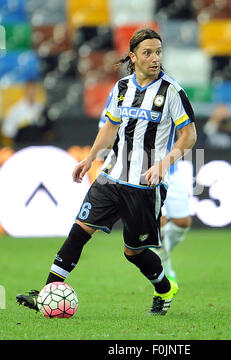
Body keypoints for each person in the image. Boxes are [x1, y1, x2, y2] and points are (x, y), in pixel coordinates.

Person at [16, 28, 197, 316]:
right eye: (148, 52)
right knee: (78, 232)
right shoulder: (122, 88)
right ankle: (47, 293)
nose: (154, 58)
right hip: (111, 177)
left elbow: (189, 135)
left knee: (133, 253)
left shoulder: (172, 92)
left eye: (158, 52)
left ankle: (164, 289)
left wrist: (164, 163)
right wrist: (89, 159)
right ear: (133, 56)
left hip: (144, 186)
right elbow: (110, 127)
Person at [99, 94, 192, 284]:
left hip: (168, 168)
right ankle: (165, 268)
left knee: (182, 222)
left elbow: (184, 129)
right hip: (138, 172)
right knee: (161, 223)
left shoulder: (169, 90)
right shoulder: (120, 91)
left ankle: (158, 254)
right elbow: (106, 127)